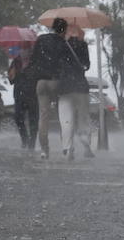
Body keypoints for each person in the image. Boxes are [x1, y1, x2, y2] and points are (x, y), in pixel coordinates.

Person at [28, 18, 93, 160]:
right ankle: (68, 147)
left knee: (43, 117)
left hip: (41, 82)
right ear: (63, 30)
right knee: (64, 116)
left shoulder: (41, 40)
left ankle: (45, 150)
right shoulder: (63, 43)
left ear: (52, 27)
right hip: (57, 82)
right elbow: (70, 63)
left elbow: (33, 60)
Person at [9, 50, 37, 149]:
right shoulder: (16, 61)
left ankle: (32, 142)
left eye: (27, 47)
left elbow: (38, 76)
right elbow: (11, 80)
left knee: (33, 119)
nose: (24, 50)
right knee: (18, 118)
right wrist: (11, 73)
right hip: (19, 94)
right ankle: (25, 139)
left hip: (33, 94)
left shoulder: (35, 61)